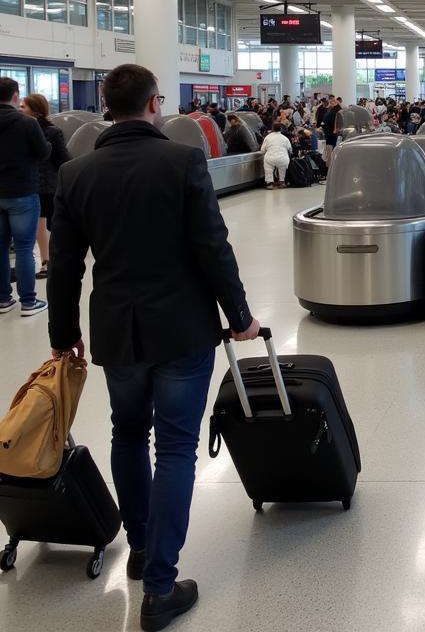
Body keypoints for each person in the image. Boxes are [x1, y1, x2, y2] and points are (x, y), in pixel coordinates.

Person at [47, 64, 259, 631]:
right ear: (152, 104)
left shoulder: (75, 174)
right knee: (174, 448)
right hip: (181, 330)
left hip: (117, 332)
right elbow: (213, 247)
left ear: (107, 107)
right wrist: (239, 317)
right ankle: (160, 588)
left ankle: (140, 550)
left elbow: (64, 267)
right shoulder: (181, 161)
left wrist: (63, 335)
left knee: (127, 432)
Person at [0, 77, 51, 317]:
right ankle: (29, 302)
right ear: (15, 96)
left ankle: (3, 299)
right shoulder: (27, 124)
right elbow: (43, 153)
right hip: (22, 192)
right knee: (24, 248)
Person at [20, 93, 70, 280]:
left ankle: (49, 262)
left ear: (35, 109)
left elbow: (63, 159)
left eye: (23, 106)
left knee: (45, 226)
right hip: (38, 184)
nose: (20, 108)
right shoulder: (25, 130)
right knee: (42, 226)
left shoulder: (51, 132)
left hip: (47, 185)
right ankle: (48, 261)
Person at [260, 123, 292, 189]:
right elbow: (290, 149)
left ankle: (270, 183)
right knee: (282, 168)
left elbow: (262, 150)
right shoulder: (285, 138)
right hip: (282, 158)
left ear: (272, 129)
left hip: (270, 158)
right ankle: (282, 182)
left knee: (268, 168)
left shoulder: (268, 137)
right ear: (280, 129)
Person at [322, 96, 342, 164]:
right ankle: (329, 162)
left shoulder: (336, 110)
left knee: (331, 146)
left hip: (331, 131)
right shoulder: (333, 109)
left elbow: (336, 119)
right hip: (329, 131)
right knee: (330, 147)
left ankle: (330, 163)